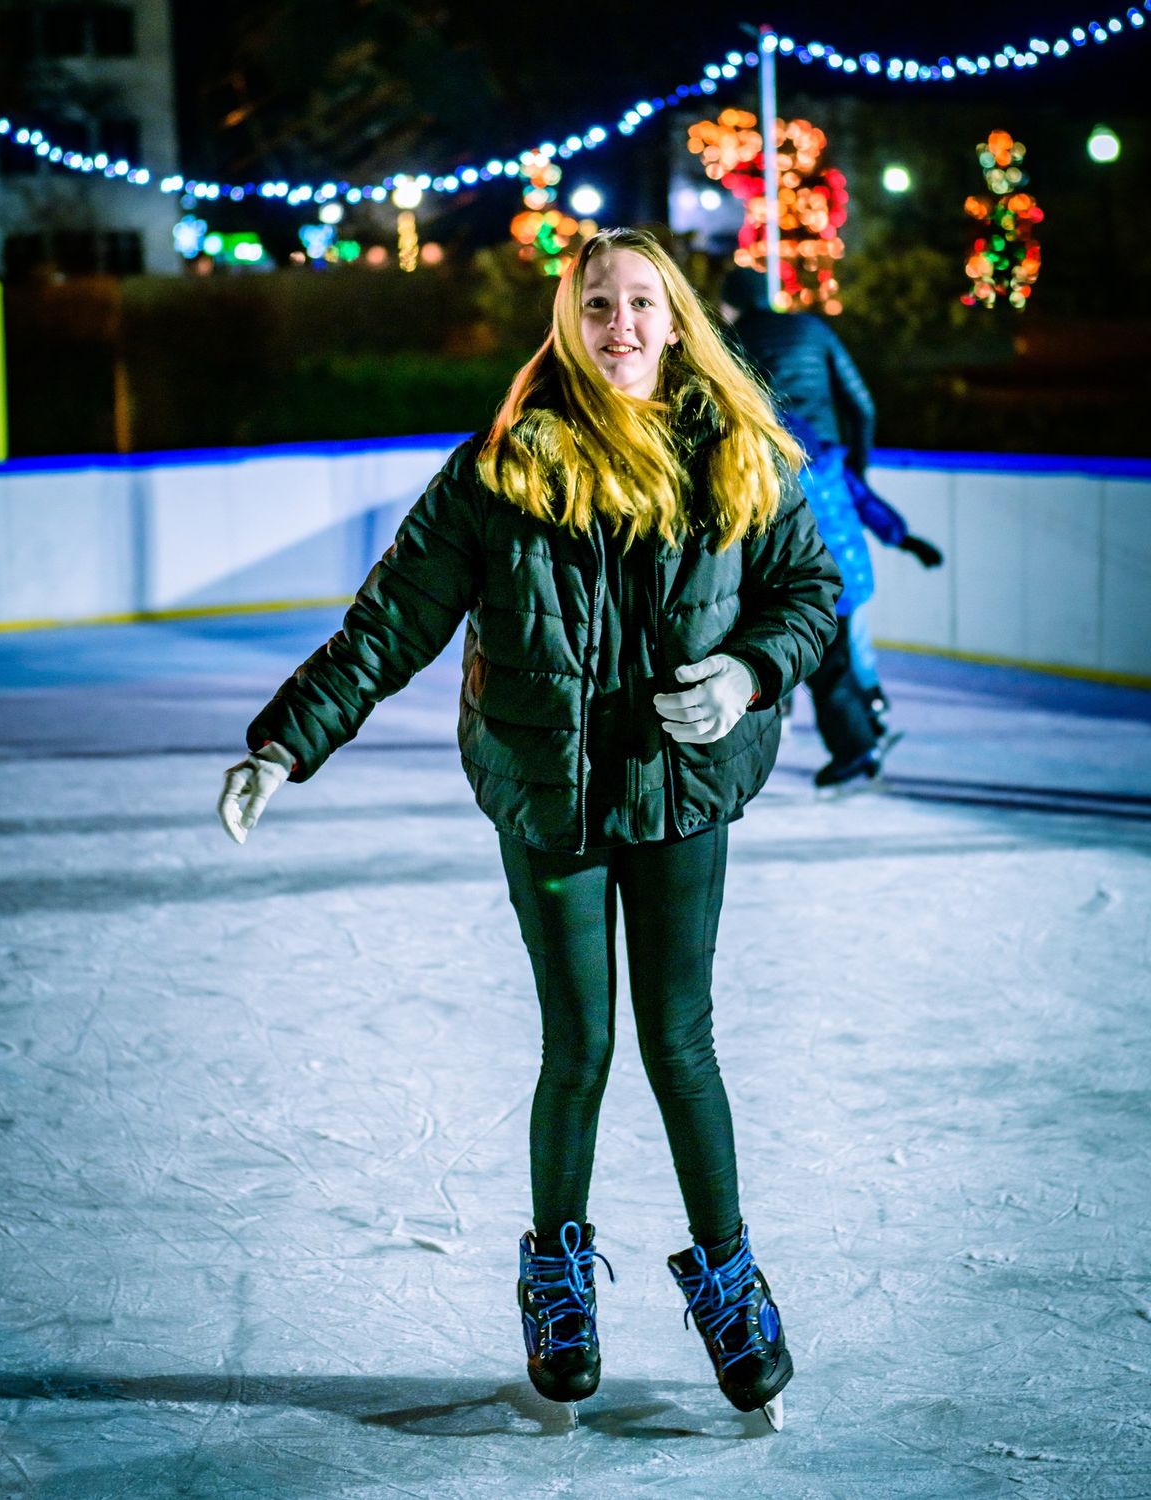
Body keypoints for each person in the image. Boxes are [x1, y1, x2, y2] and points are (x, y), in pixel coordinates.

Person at [218, 228, 841, 1427]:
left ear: (675, 321)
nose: (619, 324)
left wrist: (749, 677)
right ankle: (557, 1276)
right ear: (568, 319)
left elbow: (806, 593)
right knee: (582, 1047)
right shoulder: (502, 469)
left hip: (679, 793)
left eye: (641, 303)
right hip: (549, 798)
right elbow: (388, 623)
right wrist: (284, 742)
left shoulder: (740, 459)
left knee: (680, 1045)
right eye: (596, 302)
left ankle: (730, 1277)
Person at [721, 267, 943, 789]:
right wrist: (901, 532)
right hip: (849, 571)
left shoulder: (772, 466)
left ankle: (857, 747)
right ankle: (870, 727)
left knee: (828, 667)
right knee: (845, 657)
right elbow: (860, 407)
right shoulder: (830, 459)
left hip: (817, 577)